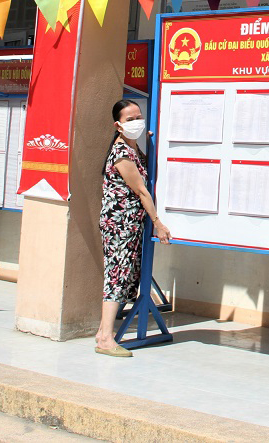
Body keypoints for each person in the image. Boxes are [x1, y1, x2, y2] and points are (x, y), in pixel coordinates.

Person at [95, 98, 171, 357]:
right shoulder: (121, 153)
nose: (136, 122)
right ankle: (105, 338)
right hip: (120, 225)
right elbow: (141, 190)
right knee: (116, 277)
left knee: (124, 276)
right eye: (130, 120)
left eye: (139, 117)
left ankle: (102, 333)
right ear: (118, 125)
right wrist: (158, 223)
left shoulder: (131, 148)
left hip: (129, 224)